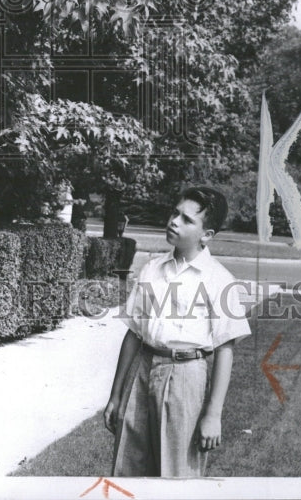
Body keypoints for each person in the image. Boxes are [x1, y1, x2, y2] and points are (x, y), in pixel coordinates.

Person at [103, 185, 251, 478]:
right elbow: (133, 333)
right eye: (174, 213)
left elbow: (225, 349)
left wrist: (213, 414)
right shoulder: (152, 268)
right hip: (143, 369)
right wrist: (116, 395)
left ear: (206, 235)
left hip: (186, 375)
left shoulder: (219, 279)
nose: (174, 221)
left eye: (187, 219)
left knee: (176, 475)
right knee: (128, 468)